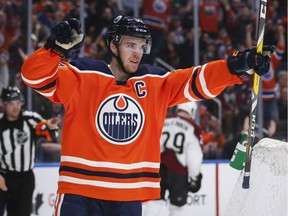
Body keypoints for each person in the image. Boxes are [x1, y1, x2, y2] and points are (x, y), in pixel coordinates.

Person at [21, 15, 274, 216]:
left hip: (129, 196)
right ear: (113, 45)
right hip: (80, 192)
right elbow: (33, 76)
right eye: (130, 45)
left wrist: (237, 64)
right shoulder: (81, 74)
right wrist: (52, 50)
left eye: (142, 46)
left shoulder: (155, 82)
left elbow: (196, 80)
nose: (137, 52)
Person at [0, 86, 61, 216]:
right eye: (11, 104)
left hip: (25, 178)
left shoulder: (30, 119)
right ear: (4, 104)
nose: (15, 107)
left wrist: (51, 127)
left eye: (18, 103)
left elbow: (50, 133)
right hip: (3, 176)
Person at [143, 102, 203, 216]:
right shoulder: (193, 127)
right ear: (192, 111)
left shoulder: (163, 119)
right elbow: (194, 154)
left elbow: (150, 143)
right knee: (177, 208)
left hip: (158, 168)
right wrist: (195, 176)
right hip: (179, 172)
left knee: (153, 204)